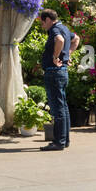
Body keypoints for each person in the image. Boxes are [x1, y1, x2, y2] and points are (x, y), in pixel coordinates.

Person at [37, 8, 74, 152]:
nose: (42, 26)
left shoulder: (54, 30)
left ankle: (58, 142)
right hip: (62, 72)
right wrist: (68, 54)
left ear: (47, 20)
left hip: (54, 72)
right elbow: (75, 39)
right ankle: (65, 140)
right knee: (63, 107)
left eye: (42, 23)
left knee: (57, 108)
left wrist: (55, 57)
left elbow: (60, 40)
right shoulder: (64, 28)